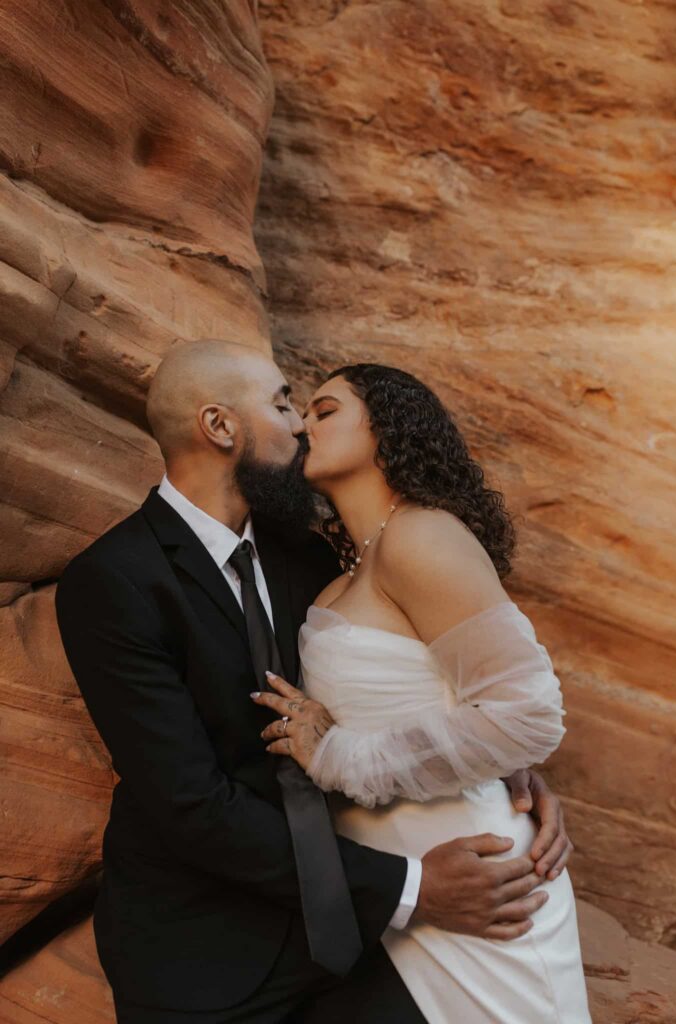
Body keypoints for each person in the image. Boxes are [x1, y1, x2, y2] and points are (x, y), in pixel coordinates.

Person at [56, 340, 574, 1024]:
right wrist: (415, 888)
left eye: (313, 408)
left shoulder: (305, 555)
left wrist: (500, 772)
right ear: (219, 427)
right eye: (281, 404)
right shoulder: (113, 580)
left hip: (358, 935)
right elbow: (189, 805)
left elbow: (419, 684)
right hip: (204, 948)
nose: (298, 424)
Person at [252, 363, 592, 1023]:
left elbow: (527, 714)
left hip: (481, 884)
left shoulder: (421, 535)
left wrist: (336, 755)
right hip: (396, 892)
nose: (303, 425)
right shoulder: (344, 568)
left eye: (325, 411)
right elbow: (438, 700)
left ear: (386, 430)